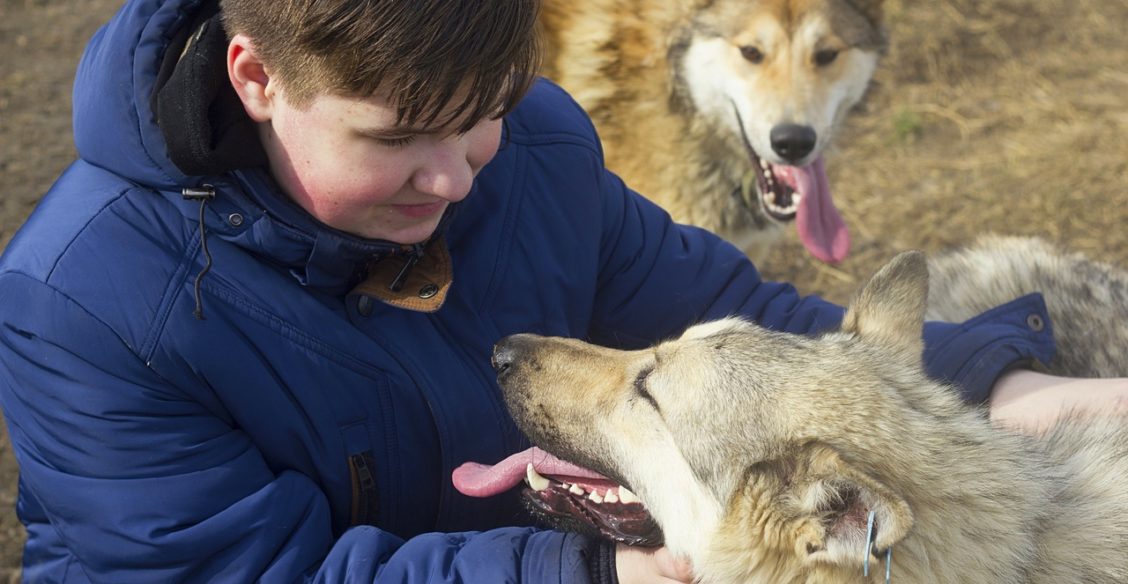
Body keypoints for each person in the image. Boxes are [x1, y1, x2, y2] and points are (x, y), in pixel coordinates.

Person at [0, 0, 1119, 581]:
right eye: (396, 141)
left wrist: (991, 390)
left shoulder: (532, 145)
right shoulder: (88, 306)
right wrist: (587, 569)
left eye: (477, 116)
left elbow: (765, 334)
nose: (452, 178)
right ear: (256, 77)